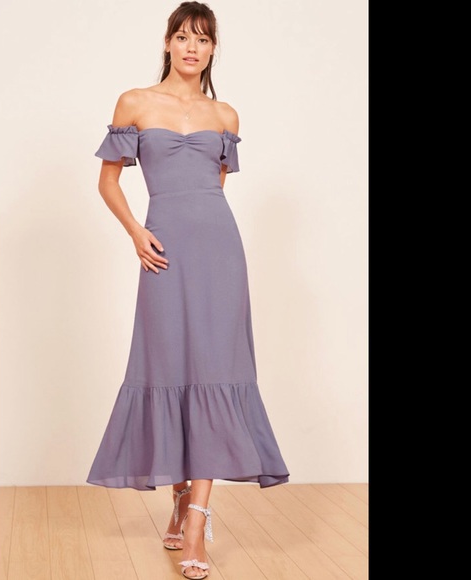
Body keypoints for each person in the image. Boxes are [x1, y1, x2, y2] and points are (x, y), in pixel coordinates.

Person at [86, 2, 289, 578]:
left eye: (202, 39)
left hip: (220, 253)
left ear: (213, 48)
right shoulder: (135, 102)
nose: (192, 48)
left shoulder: (225, 115)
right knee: (169, 367)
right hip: (163, 250)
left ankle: (196, 520)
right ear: (168, 43)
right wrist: (136, 232)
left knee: (215, 371)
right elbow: (108, 181)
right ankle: (177, 496)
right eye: (182, 37)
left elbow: (214, 188)